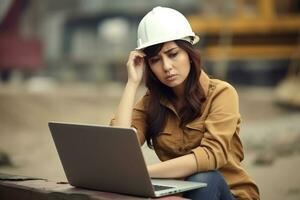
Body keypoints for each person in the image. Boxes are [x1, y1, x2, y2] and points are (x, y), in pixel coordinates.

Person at [110, 6, 260, 200]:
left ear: (189, 52)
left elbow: (210, 155)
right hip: (183, 193)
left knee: (206, 178)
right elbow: (120, 149)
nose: (166, 67)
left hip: (230, 194)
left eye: (173, 54)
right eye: (155, 60)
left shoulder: (222, 93)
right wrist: (132, 83)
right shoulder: (151, 103)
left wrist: (143, 173)